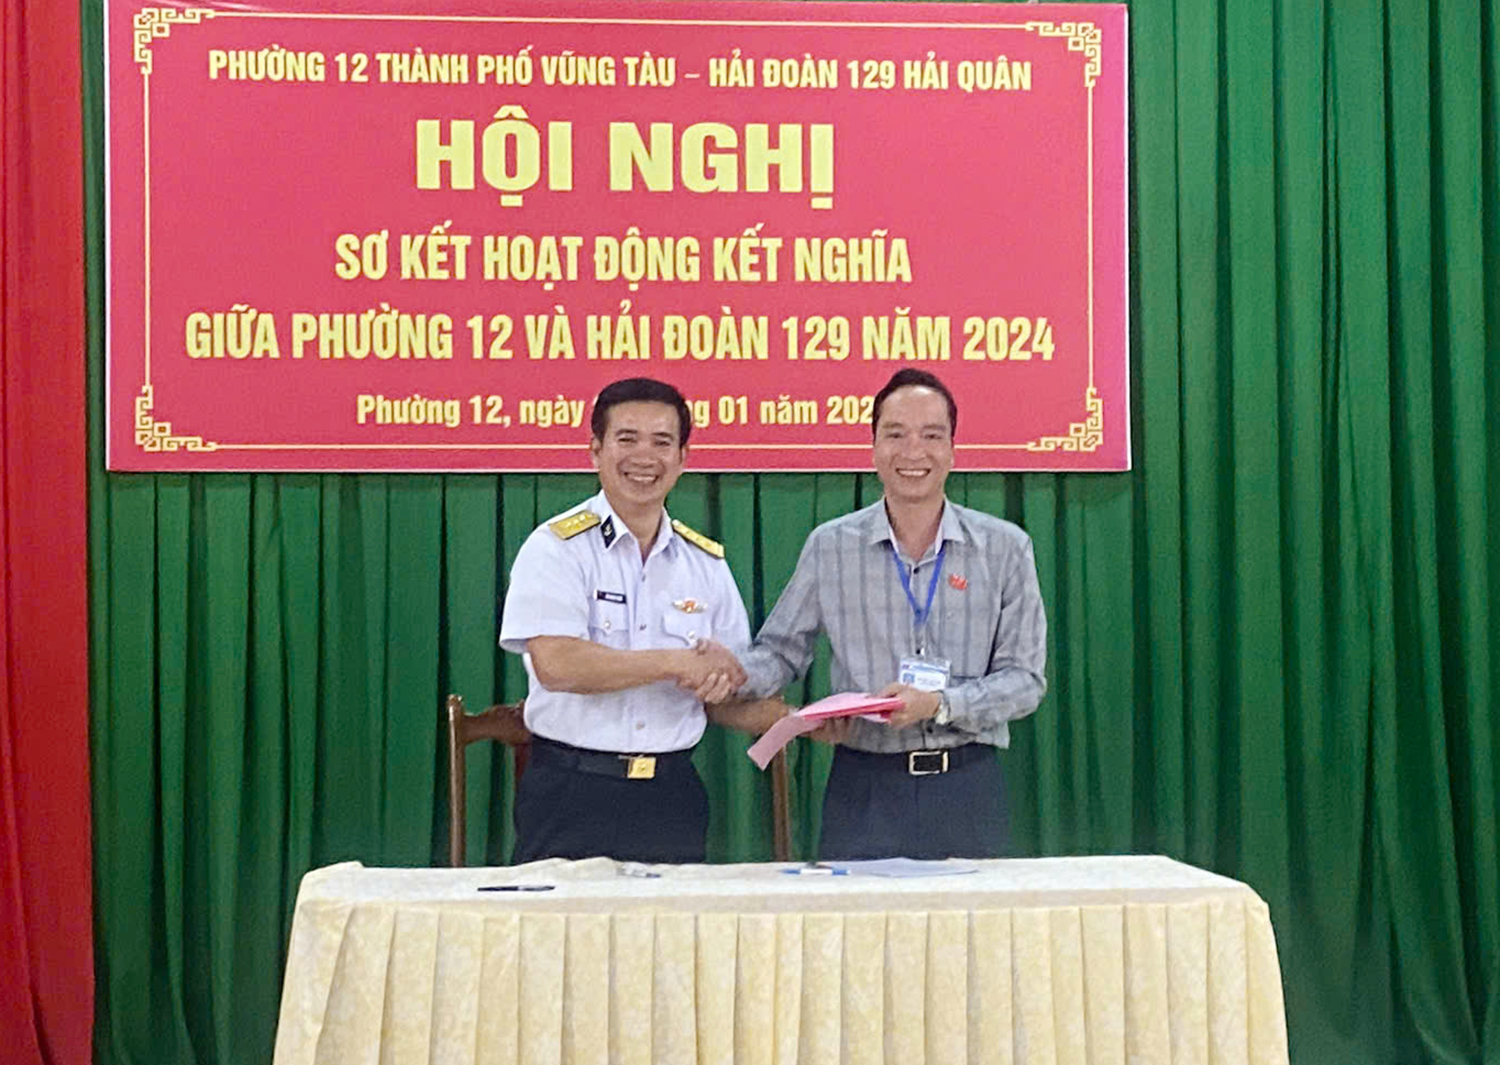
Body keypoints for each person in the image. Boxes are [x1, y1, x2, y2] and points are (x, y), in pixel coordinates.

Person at [737, 369, 1048, 859]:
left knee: (973, 912)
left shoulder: (1005, 548)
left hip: (967, 786)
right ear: (874, 447)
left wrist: (940, 704)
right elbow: (780, 653)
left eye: (931, 436)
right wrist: (729, 673)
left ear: (953, 450)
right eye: (896, 434)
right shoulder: (831, 546)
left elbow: (1025, 680)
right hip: (863, 788)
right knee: (856, 912)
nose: (913, 452)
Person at [499, 377, 756, 864]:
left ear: (682, 458)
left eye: (662, 442)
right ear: (595, 450)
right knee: (561, 918)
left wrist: (801, 721)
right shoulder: (556, 548)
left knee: (675, 918)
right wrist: (676, 663)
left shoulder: (705, 563)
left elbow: (731, 684)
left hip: (672, 796)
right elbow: (557, 665)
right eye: (627, 439)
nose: (645, 457)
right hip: (571, 794)